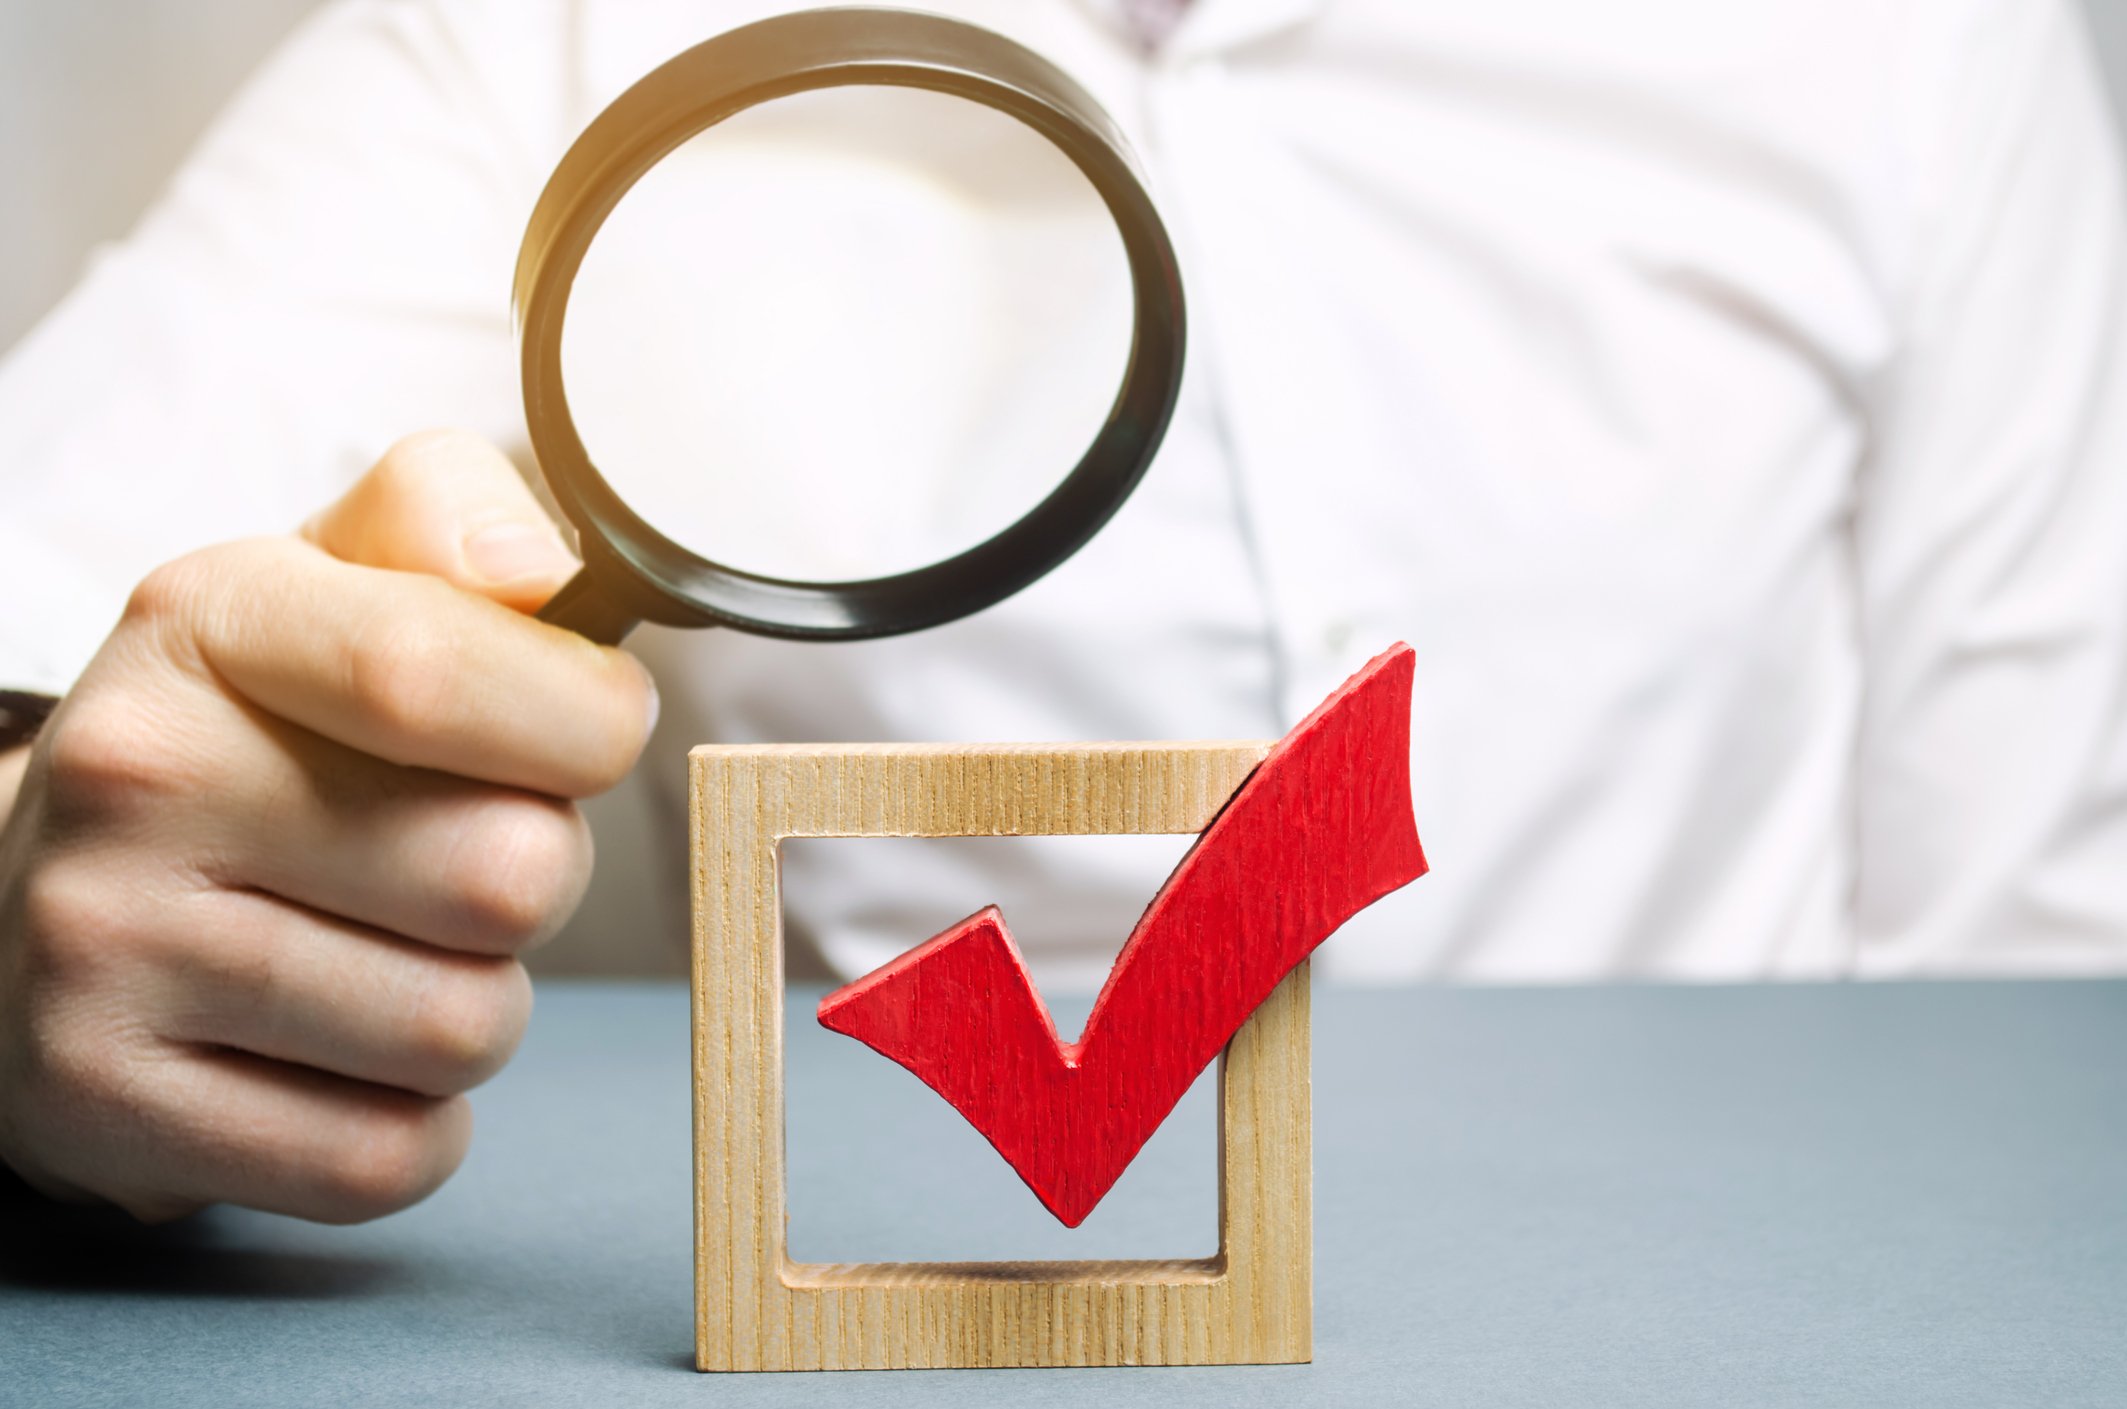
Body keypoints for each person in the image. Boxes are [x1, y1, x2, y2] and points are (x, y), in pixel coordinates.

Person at [3, 0, 2125, 1222]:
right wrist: (35, 922)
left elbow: (2043, 982)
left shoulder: (1911, 40)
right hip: (944, 1294)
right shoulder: (533, 33)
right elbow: (42, 658)